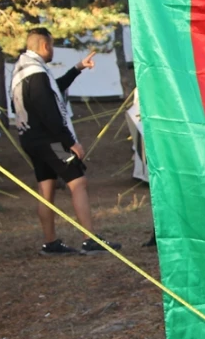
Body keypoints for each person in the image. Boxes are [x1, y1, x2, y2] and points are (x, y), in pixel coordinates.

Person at [10, 28, 122, 256]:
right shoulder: (37, 73)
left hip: (29, 138)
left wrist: (77, 68)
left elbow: (51, 91)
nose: (52, 50)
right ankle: (89, 239)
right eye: (51, 46)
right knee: (78, 182)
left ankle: (51, 243)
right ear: (44, 46)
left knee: (46, 187)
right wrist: (69, 141)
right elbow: (48, 110)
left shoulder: (21, 71)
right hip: (49, 140)